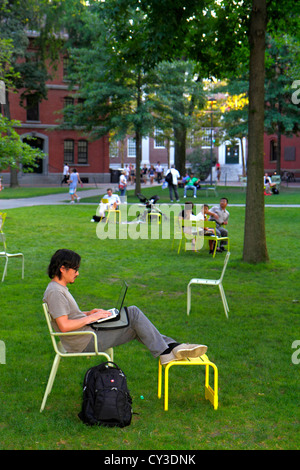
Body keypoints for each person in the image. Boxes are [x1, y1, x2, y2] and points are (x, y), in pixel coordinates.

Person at [43, 249, 208, 365]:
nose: (77, 273)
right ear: (62, 268)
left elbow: (67, 316)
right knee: (134, 315)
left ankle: (171, 348)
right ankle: (170, 349)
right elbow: (64, 326)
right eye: (75, 269)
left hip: (87, 333)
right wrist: (91, 318)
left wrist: (89, 312)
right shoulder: (56, 292)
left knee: (135, 322)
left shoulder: (59, 288)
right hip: (85, 340)